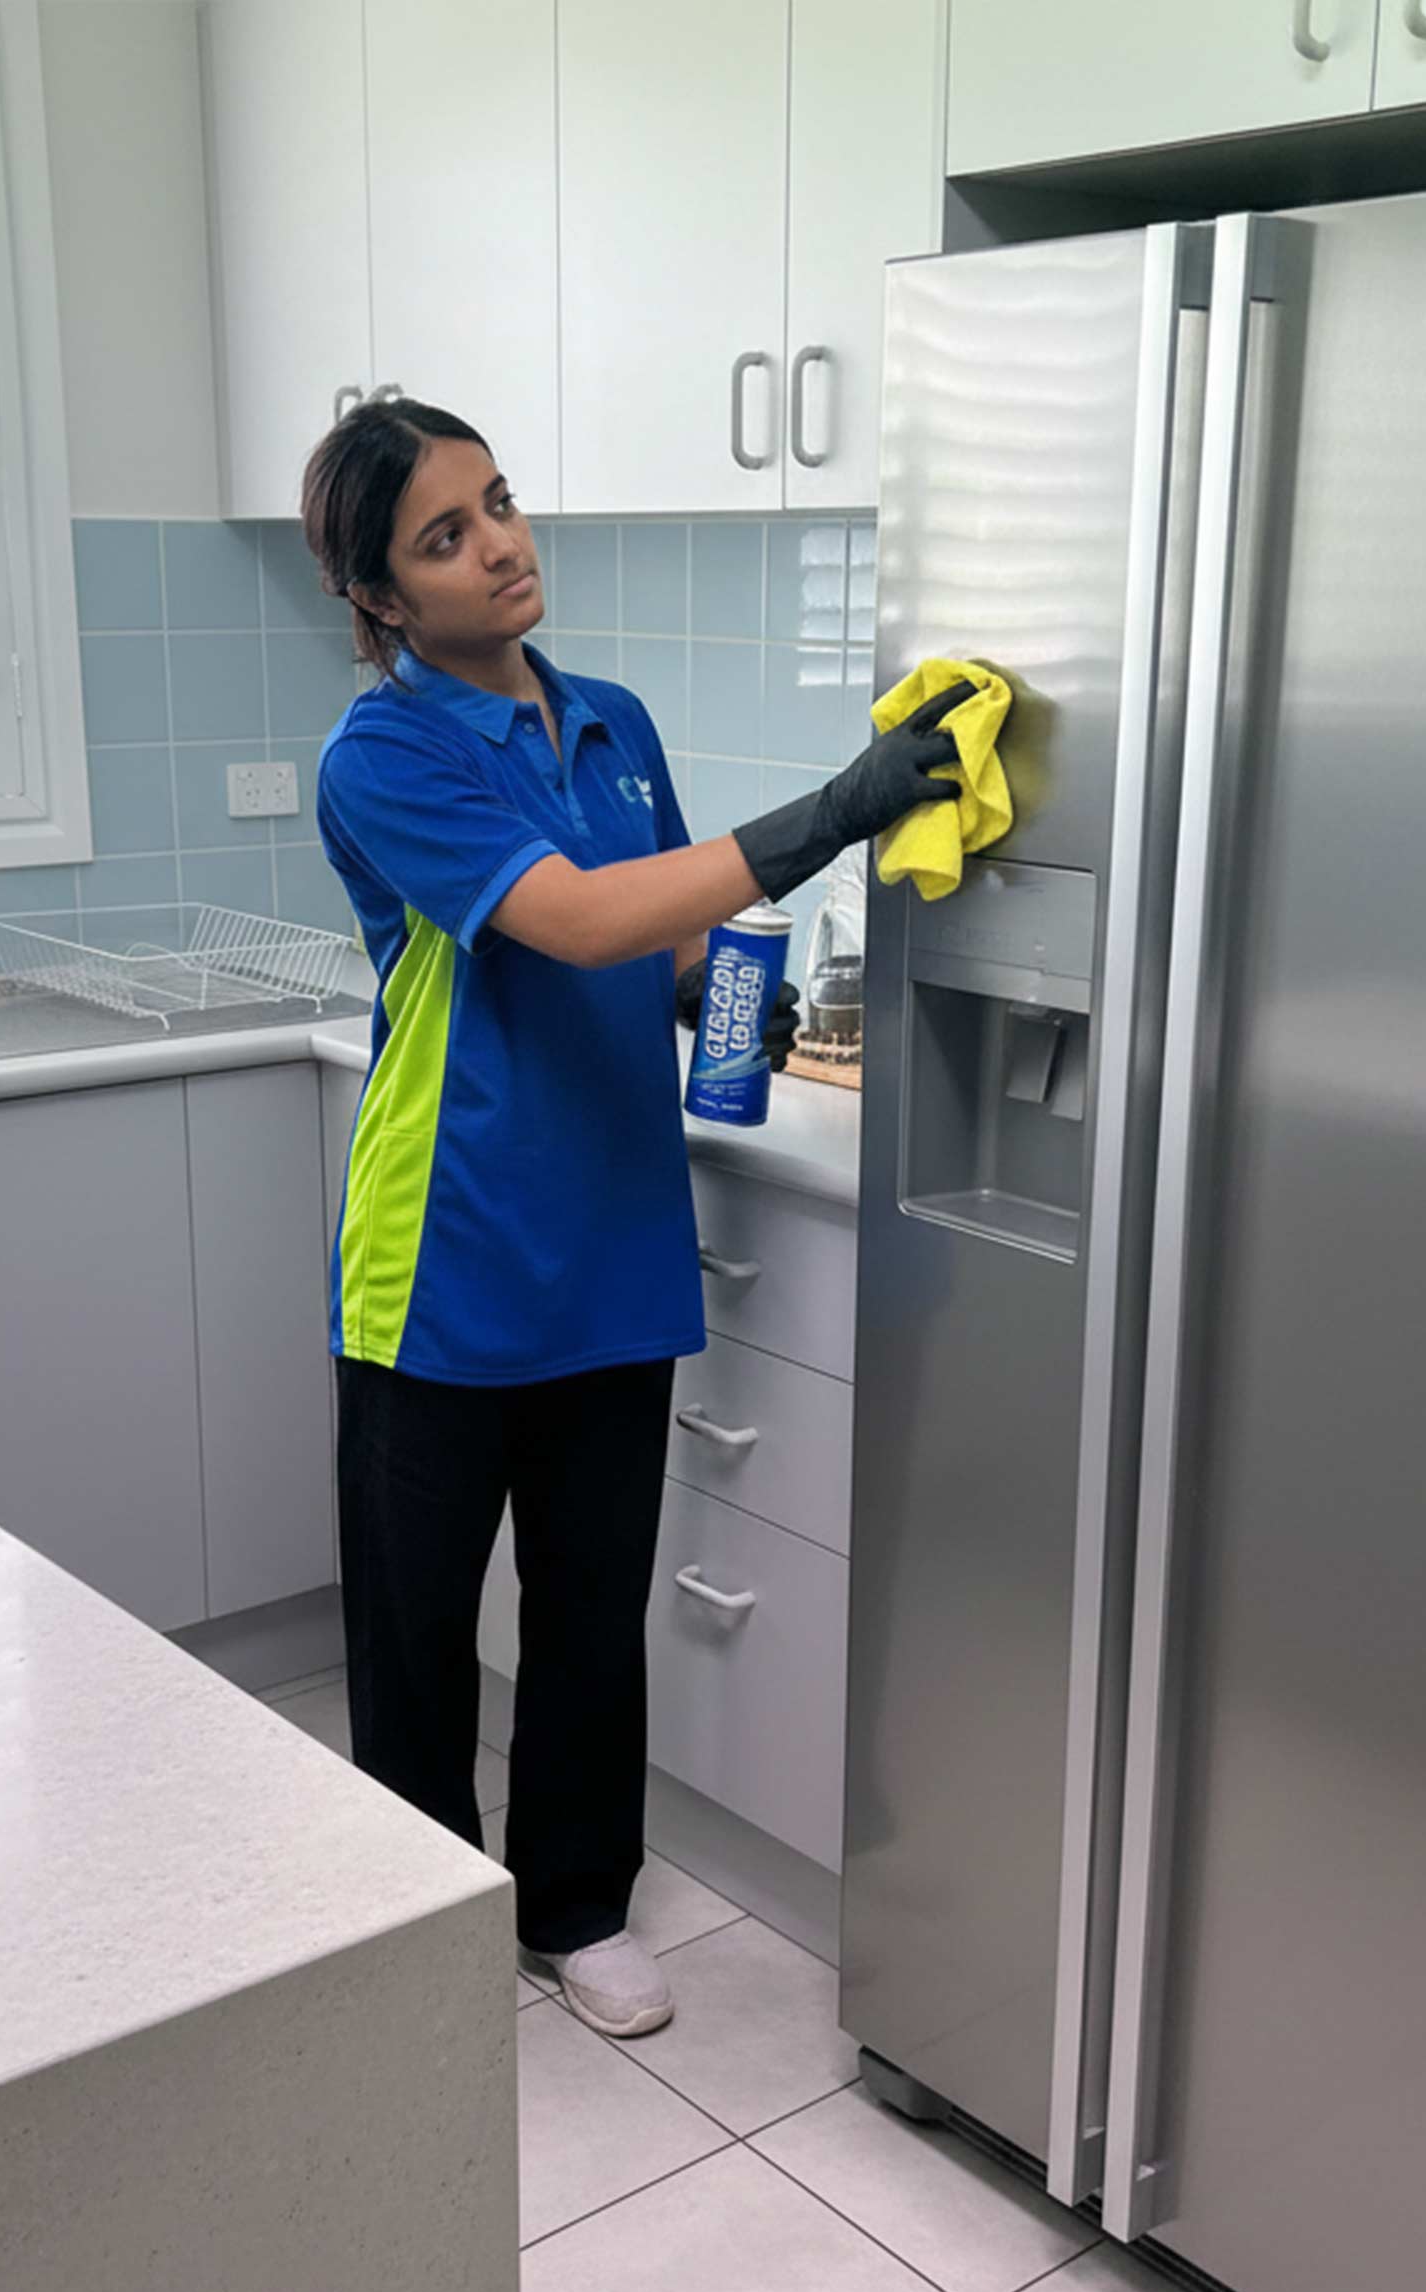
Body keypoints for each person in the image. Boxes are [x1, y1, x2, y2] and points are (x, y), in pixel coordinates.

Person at [301, 394, 966, 2039]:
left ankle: (575, 1905)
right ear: (383, 598)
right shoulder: (383, 753)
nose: (500, 547)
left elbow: (660, 948)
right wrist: (835, 808)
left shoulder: (615, 719)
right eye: (444, 537)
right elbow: (583, 920)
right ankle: (412, 1921)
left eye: (501, 503)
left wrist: (747, 1004)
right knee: (418, 1628)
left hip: (611, 1242)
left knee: (594, 1610)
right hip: (441, 1262)